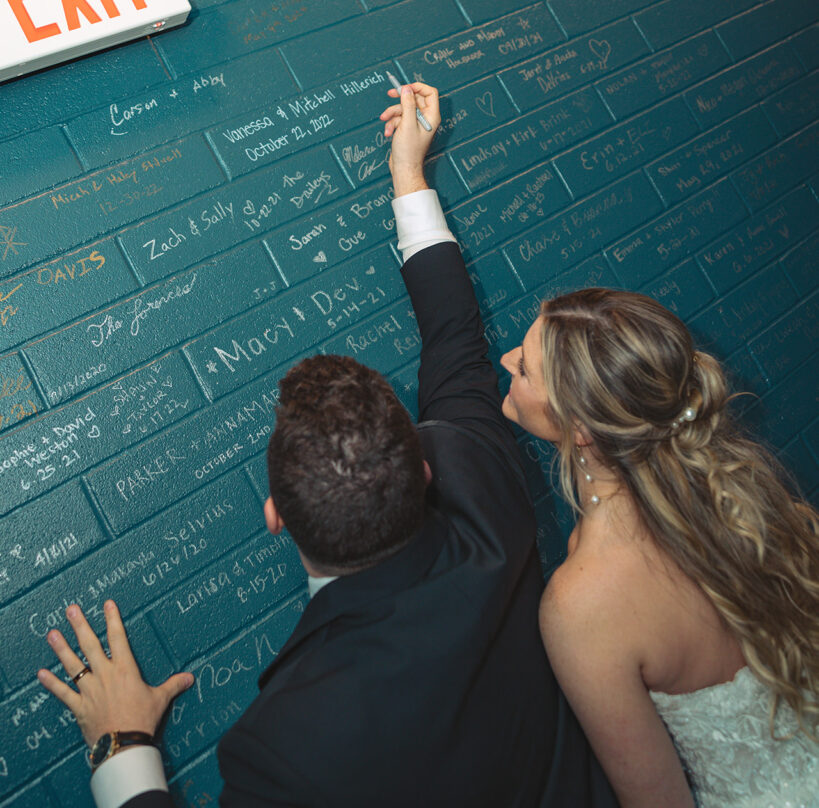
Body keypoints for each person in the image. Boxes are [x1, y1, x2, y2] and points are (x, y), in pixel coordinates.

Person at [37, 82, 615, 807]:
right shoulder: (483, 484)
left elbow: (455, 344)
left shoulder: (288, 746)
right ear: (425, 467)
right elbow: (455, 340)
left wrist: (121, 746)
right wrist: (409, 171)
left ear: (275, 514)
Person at [499, 286, 819, 806]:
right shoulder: (736, 495)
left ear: (579, 428)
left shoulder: (579, 604)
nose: (507, 357)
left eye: (527, 369)